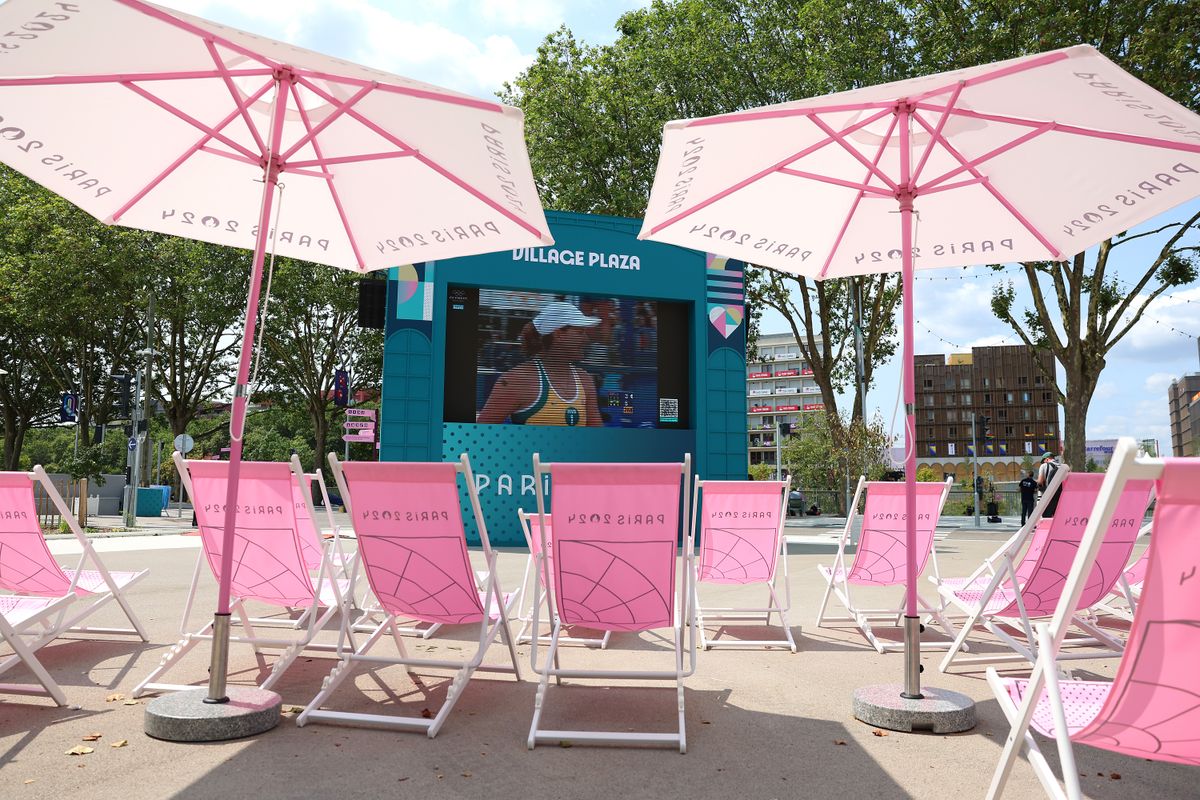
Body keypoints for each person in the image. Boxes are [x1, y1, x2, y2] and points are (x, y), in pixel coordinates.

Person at [477, 301, 603, 427]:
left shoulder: (585, 381)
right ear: (559, 334)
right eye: (580, 332)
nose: (586, 339)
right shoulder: (517, 380)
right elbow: (479, 436)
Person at [1036, 453, 1062, 517]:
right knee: (1057, 516)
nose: (1042, 463)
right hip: (1060, 495)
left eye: (1043, 461)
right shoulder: (1062, 466)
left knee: (1045, 517)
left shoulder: (1044, 466)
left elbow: (1040, 481)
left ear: (1047, 459)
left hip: (1047, 495)